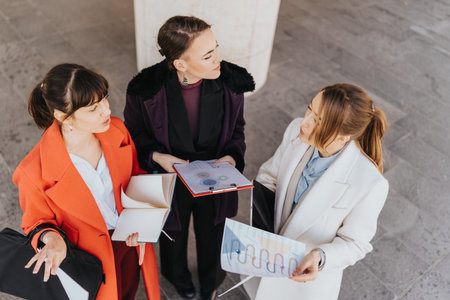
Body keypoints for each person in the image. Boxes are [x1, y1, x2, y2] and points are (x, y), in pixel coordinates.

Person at [124, 15, 255, 300]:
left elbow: (238, 130)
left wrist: (232, 158)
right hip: (169, 174)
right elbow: (134, 135)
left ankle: (211, 281)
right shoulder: (144, 90)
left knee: (214, 232)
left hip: (216, 176)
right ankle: (177, 277)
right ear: (180, 64)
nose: (218, 59)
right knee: (173, 233)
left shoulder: (231, 83)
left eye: (216, 48)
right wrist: (158, 157)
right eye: (208, 55)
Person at [12, 64, 160, 300]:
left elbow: (136, 176)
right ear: (63, 116)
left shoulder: (117, 131)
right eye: (93, 108)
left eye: (104, 100)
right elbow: (36, 222)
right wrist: (52, 239)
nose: (106, 110)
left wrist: (142, 220)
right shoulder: (33, 171)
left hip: (128, 240)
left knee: (129, 291)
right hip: (87, 257)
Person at [244, 83, 389, 300]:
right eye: (309, 109)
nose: (305, 122)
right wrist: (261, 228)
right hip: (263, 258)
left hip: (301, 284)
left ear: (343, 137)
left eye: (318, 121)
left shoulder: (370, 183)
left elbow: (356, 243)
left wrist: (320, 257)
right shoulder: (296, 130)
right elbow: (269, 176)